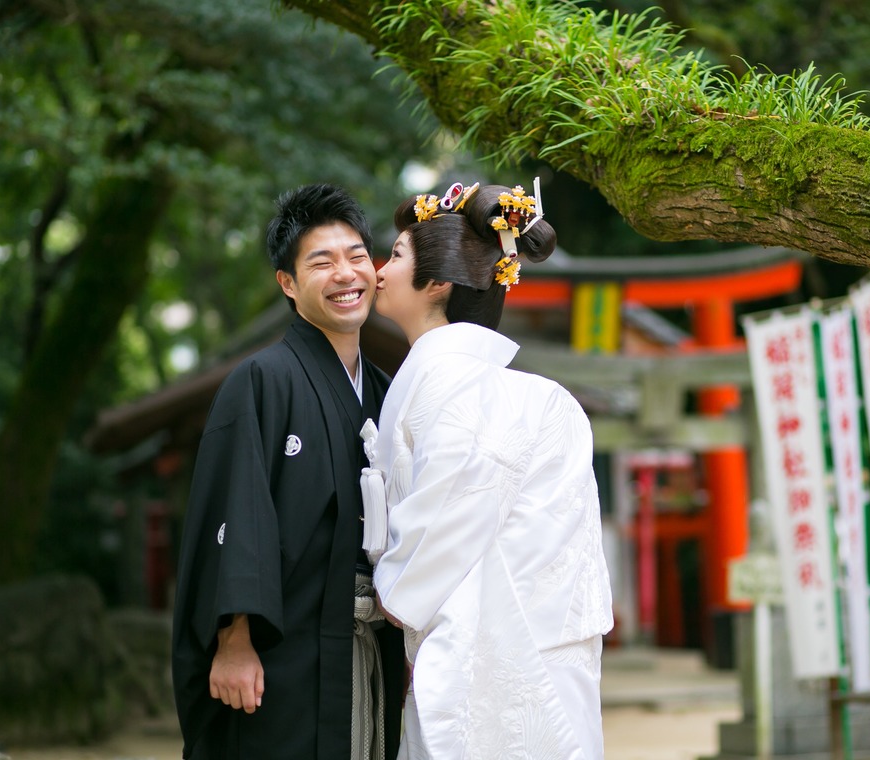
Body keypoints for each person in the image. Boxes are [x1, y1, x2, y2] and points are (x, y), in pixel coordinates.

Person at [362, 181, 614, 759]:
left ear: (438, 282)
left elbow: (451, 509)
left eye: (396, 256)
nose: (378, 270)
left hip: (490, 650)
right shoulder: (530, 396)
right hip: (537, 639)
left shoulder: (457, 389)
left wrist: (391, 592)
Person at [171, 183, 404, 760]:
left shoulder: (387, 390)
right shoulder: (261, 382)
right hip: (284, 647)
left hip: (368, 641)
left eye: (356, 257)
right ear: (288, 284)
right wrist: (234, 641)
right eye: (321, 262)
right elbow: (235, 516)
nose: (346, 274)